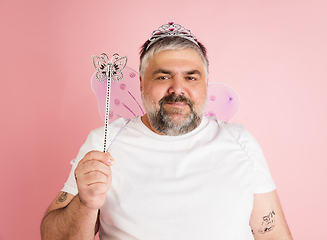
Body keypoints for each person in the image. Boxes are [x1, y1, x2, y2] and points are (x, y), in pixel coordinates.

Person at [41, 22, 292, 240]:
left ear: (205, 84)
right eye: (163, 77)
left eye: (191, 78)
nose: (177, 89)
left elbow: (272, 233)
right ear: (141, 83)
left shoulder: (240, 141)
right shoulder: (104, 143)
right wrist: (85, 204)